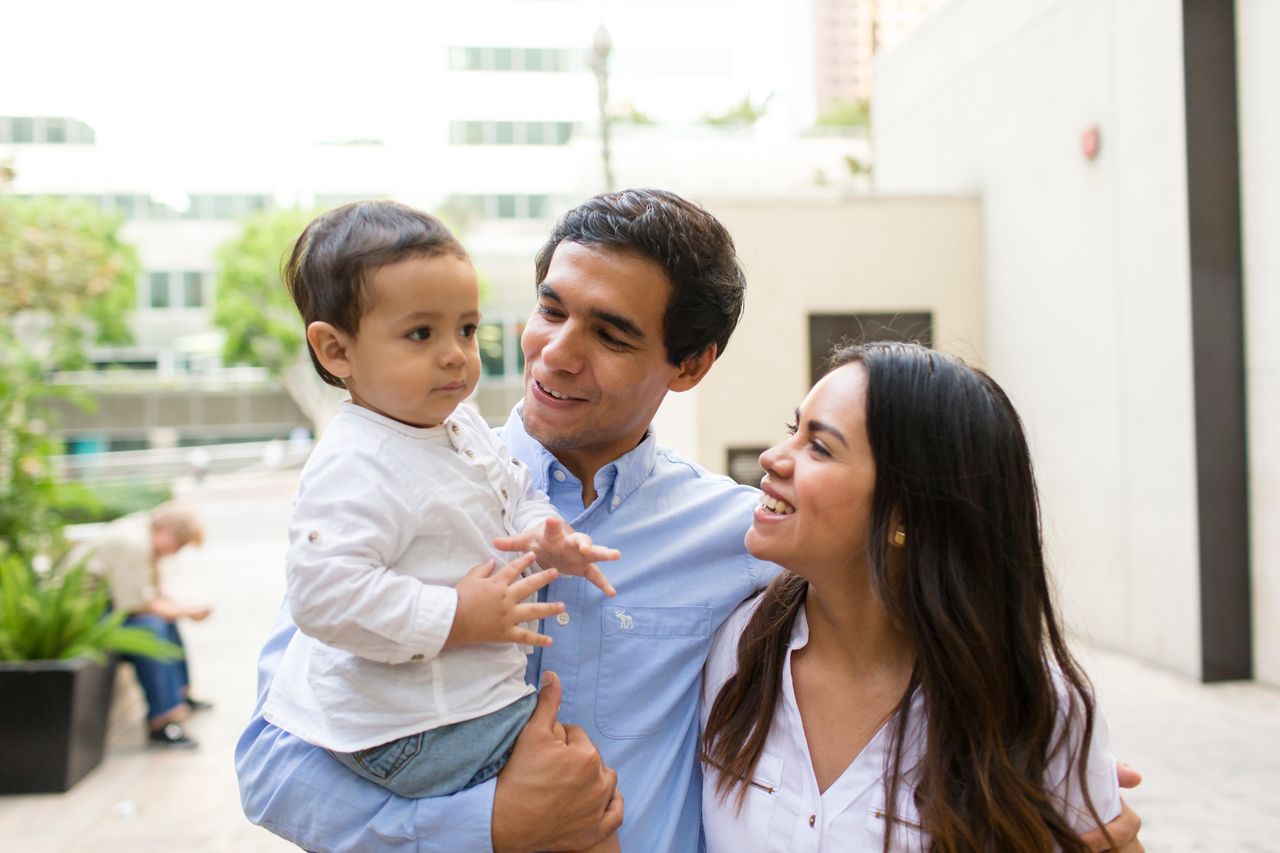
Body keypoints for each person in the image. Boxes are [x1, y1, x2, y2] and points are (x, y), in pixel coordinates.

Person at [237, 190, 1145, 851]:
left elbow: (913, 613)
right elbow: (270, 767)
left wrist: (1034, 766)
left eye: (610, 333)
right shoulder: (399, 496)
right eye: (550, 310)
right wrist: (489, 826)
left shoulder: (747, 538)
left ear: (692, 364)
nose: (556, 352)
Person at [261, 200, 620, 841]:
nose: (456, 355)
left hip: (454, 709)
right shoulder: (356, 463)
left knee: (580, 800)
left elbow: (514, 488)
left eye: (467, 329)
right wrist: (456, 615)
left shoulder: (458, 424)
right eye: (421, 334)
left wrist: (545, 530)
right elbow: (323, 596)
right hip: (412, 725)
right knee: (585, 811)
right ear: (336, 349)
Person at [702, 342, 1124, 851]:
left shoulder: (1034, 709)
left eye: (820, 447)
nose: (771, 458)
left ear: (908, 513)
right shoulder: (738, 648)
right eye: (795, 430)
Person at [79, 500, 211, 748]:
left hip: (107, 607)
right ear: (168, 533)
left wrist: (182, 609)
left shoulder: (143, 531)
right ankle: (162, 720)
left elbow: (148, 593)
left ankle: (180, 694)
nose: (177, 551)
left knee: (165, 622)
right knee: (150, 628)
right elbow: (136, 605)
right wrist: (185, 612)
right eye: (180, 544)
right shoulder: (134, 543)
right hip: (84, 617)